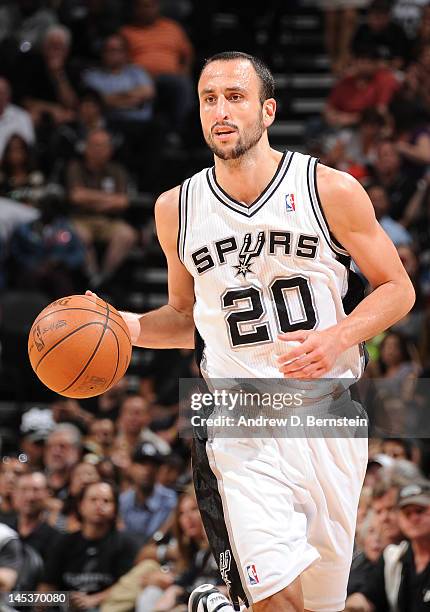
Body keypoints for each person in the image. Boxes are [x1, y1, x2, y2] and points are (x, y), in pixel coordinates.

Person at [87, 51, 415, 611]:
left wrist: (336, 337)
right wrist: (124, 327)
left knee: (318, 605)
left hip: (329, 417)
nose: (220, 110)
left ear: (267, 111)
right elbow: (185, 317)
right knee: (273, 601)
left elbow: (398, 289)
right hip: (241, 423)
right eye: (208, 99)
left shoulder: (328, 190)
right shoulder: (177, 209)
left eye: (234, 98)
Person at [345, 480, 430, 611]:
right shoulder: (393, 556)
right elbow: (369, 596)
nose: (413, 518)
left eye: (419, 511)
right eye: (407, 513)